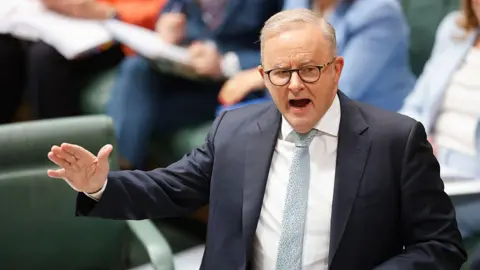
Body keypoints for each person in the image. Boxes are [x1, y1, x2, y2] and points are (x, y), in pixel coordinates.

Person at [47, 9, 466, 270]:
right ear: (264, 77)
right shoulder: (234, 130)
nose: (294, 84)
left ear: (336, 70)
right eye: (280, 73)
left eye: (309, 70)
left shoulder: (396, 140)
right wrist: (97, 185)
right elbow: (171, 188)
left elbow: (440, 245)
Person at [106, 0, 283, 170]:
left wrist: (225, 63)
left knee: (137, 115)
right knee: (135, 69)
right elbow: (173, 10)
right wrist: (168, 26)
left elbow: (287, 52)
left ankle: (114, 175)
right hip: (188, 72)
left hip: (234, 87)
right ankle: (115, 168)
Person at [218, 0, 415, 112]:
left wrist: (261, 79)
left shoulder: (379, 12)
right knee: (230, 118)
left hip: (359, 115)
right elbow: (279, 51)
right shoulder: (299, 2)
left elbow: (341, 89)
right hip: (299, 103)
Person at [400, 0, 480, 267]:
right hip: (429, 160)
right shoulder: (454, 30)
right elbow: (416, 103)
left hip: (473, 182)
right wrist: (417, 140)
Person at [0, 0, 166, 122]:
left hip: (121, 32)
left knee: (45, 57)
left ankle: (60, 154)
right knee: (5, 48)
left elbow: (174, 9)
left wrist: (112, 13)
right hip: (65, 17)